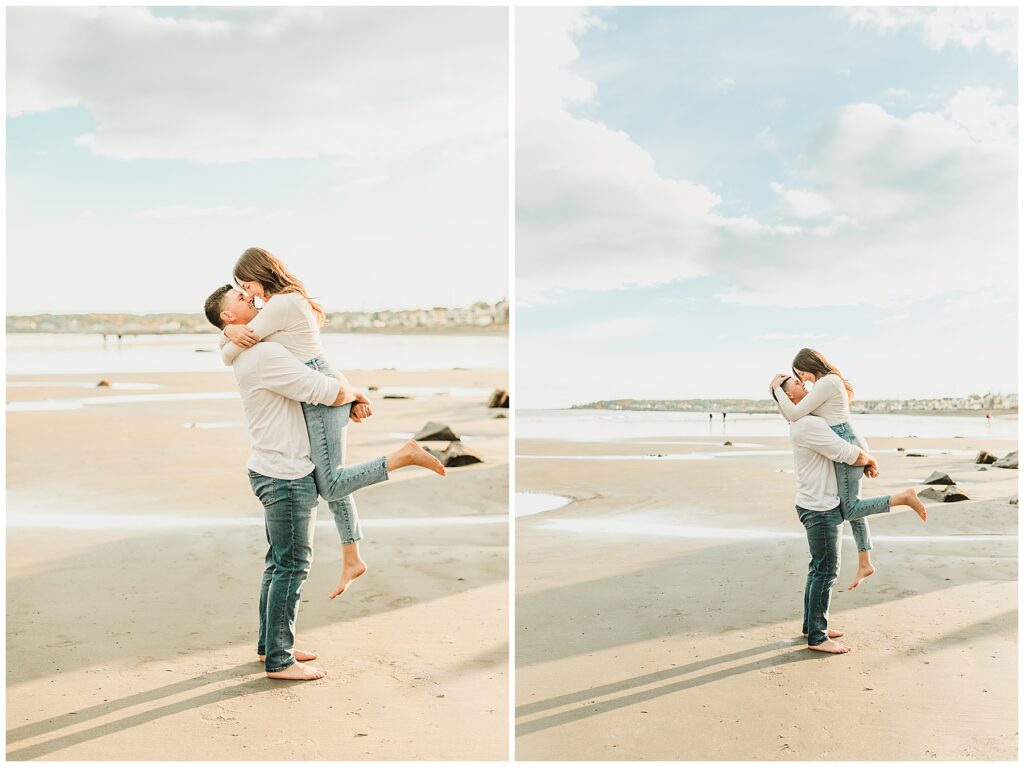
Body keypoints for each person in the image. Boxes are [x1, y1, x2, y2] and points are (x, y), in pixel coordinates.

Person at [205, 285, 443, 680]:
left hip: (269, 468)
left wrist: (226, 338)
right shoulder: (263, 354)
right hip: (286, 476)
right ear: (228, 318)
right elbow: (323, 390)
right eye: (240, 299)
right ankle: (280, 660)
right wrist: (356, 394)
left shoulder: (250, 352)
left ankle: (271, 646)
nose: (250, 299)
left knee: (277, 563)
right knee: (292, 567)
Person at [219, 246, 440, 598]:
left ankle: (403, 456)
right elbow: (245, 339)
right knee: (331, 476)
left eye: (247, 286)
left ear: (259, 274)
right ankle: (352, 556)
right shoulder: (286, 301)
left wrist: (227, 336)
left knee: (332, 484)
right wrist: (230, 333)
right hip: (319, 383)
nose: (250, 295)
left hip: (318, 388)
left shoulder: (282, 304)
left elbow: (232, 353)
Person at [771, 349, 926, 589]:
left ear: (808, 365)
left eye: (799, 372)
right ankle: (865, 561)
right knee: (852, 505)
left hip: (845, 442)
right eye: (796, 377)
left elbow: (793, 413)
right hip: (845, 439)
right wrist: (778, 392)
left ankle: (903, 498)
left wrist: (775, 389)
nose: (801, 378)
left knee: (850, 509)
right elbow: (793, 415)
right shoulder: (826, 383)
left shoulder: (827, 382)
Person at [773, 376, 881, 654]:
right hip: (820, 507)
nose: (805, 385)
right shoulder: (808, 424)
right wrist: (869, 460)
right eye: (797, 384)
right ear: (790, 397)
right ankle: (818, 637)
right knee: (826, 570)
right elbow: (845, 453)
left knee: (817, 568)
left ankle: (812, 626)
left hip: (814, 502)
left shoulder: (801, 421)